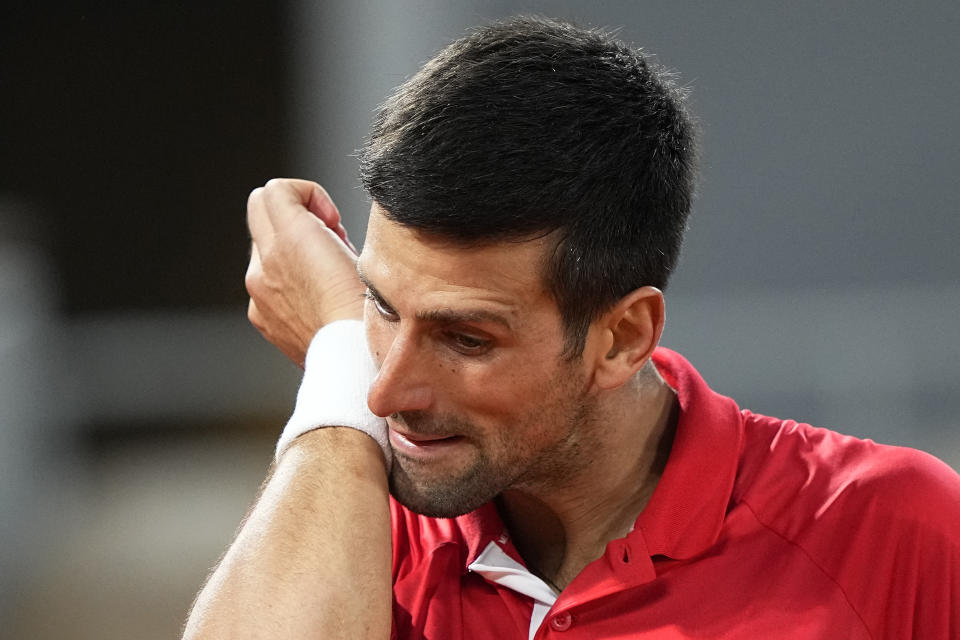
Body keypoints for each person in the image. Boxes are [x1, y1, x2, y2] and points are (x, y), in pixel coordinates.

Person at [183, 16, 960, 640]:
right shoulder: (352, 514)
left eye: (467, 339)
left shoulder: (895, 532)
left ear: (623, 337)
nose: (385, 392)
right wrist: (335, 359)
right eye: (380, 306)